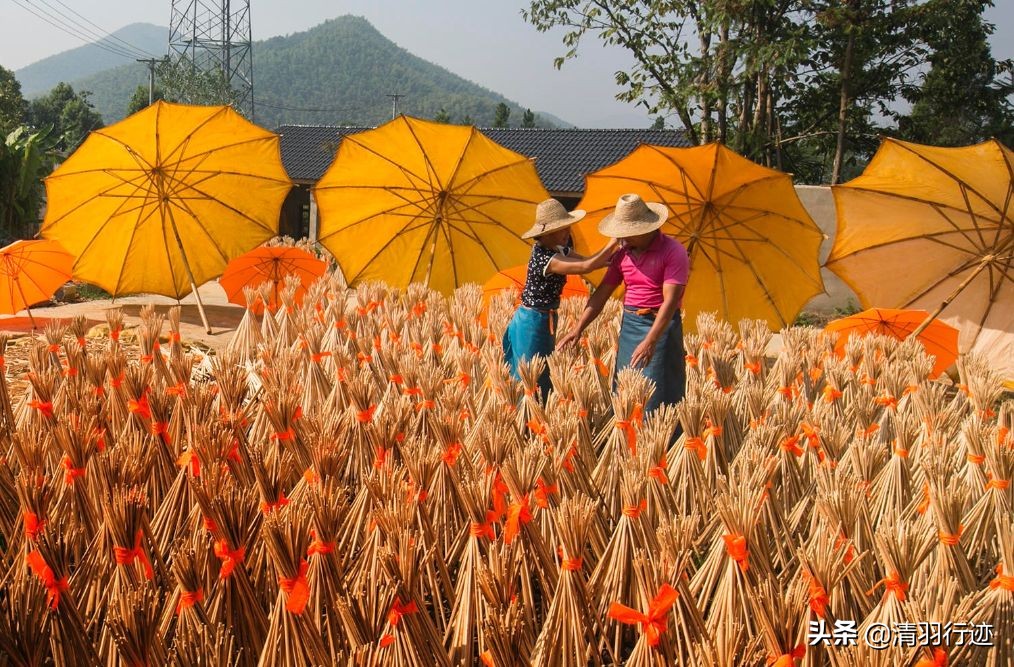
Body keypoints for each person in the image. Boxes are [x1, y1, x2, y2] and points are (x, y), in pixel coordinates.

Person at [557, 194, 689, 413]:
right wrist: (578, 328)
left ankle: (660, 435)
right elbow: (602, 293)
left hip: (661, 327)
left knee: (657, 395)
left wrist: (650, 341)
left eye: (628, 233)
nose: (623, 238)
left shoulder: (674, 251)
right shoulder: (622, 255)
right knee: (626, 393)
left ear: (645, 229)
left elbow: (671, 300)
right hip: (630, 326)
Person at [502, 198, 618, 399]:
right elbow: (585, 267)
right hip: (532, 322)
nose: (567, 233)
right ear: (547, 234)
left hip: (545, 319)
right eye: (562, 229)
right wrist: (614, 241)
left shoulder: (558, 250)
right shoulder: (545, 258)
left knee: (542, 374)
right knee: (532, 380)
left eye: (567, 227)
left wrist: (614, 259)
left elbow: (586, 260)